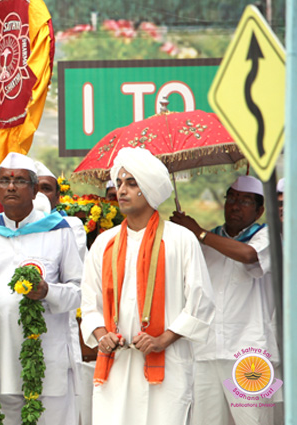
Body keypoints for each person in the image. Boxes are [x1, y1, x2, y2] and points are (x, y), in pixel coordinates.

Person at [80, 147, 215, 425]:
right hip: (115, 366)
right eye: (119, 183)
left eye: (132, 183)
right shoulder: (104, 243)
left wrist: (162, 340)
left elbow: (201, 302)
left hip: (166, 365)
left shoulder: (180, 240)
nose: (122, 190)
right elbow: (89, 302)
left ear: (150, 189)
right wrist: (101, 334)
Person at [0, 152, 83, 425]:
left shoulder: (58, 232)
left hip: (45, 361)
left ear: (35, 189)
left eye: (18, 181)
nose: (11, 187)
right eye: (4, 181)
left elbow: (78, 291)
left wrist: (47, 291)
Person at [170, 175, 281, 424]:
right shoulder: (206, 242)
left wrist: (197, 232)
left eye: (244, 200)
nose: (235, 205)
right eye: (231, 198)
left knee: (254, 420)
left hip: (250, 353)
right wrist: (184, 233)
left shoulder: (267, 237)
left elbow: (249, 255)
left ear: (260, 209)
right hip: (206, 351)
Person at [34, 160, 90, 425]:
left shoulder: (70, 227)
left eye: (46, 188)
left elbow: (75, 284)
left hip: (56, 338)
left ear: (57, 196)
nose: (38, 195)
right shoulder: (0, 229)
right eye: (32, 187)